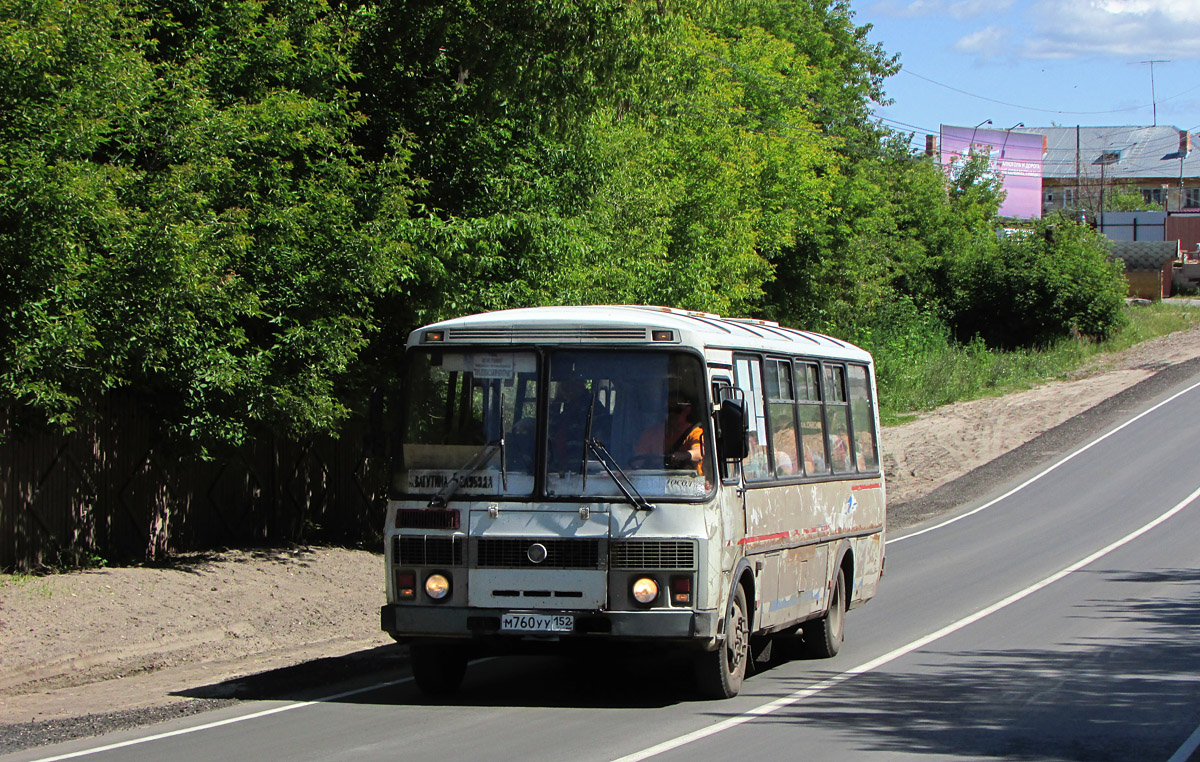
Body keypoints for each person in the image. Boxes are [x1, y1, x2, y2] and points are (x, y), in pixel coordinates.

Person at [635, 393, 705, 475]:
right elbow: (637, 461)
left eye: (677, 410)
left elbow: (699, 453)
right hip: (656, 480)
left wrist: (683, 456)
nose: (671, 414)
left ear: (687, 410)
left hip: (688, 483)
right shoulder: (651, 433)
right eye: (668, 409)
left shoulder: (695, 432)